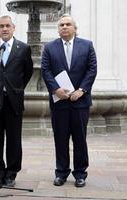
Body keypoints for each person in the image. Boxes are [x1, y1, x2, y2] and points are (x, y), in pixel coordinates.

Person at [41, 14, 97, 187]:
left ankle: (80, 174)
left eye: (68, 24)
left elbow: (92, 69)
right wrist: (55, 89)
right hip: (60, 102)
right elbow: (45, 70)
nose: (64, 27)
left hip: (80, 102)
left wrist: (81, 90)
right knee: (61, 139)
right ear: (58, 29)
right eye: (61, 25)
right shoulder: (49, 48)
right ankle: (61, 172)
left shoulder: (87, 45)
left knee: (80, 139)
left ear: (74, 28)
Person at [0, 15, 33, 187]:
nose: (4, 29)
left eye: (8, 26)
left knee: (13, 139)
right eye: (1, 26)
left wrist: (14, 88)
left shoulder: (24, 48)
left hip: (14, 101)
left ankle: (11, 173)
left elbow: (28, 73)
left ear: (13, 28)